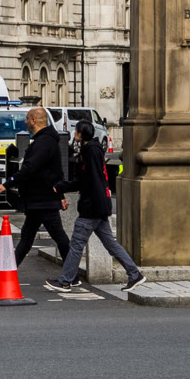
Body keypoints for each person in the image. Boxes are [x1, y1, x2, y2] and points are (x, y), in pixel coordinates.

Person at [49, 120, 145, 292]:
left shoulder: (91, 151)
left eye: (76, 131)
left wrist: (64, 186)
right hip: (99, 205)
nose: (74, 134)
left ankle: (65, 281)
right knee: (110, 244)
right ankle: (134, 274)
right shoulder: (92, 149)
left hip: (92, 207)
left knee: (76, 244)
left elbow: (88, 180)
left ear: (80, 133)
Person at [0, 106, 70, 267]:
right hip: (39, 199)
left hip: (43, 199)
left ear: (34, 120)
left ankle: (71, 273)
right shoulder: (44, 141)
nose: (25, 121)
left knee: (58, 237)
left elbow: (30, 168)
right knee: (27, 237)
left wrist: (6, 185)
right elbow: (56, 172)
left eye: (27, 119)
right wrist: (61, 195)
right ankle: (7, 269)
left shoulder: (44, 142)